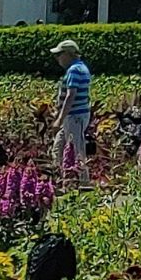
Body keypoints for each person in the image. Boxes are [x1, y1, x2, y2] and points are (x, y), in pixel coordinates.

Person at [50, 39, 91, 186]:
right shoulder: (80, 68)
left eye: (59, 54)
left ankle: (83, 184)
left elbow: (70, 95)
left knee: (77, 150)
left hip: (74, 117)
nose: (57, 58)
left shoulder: (74, 70)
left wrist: (59, 118)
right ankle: (61, 180)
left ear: (68, 54)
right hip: (71, 117)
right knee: (58, 148)